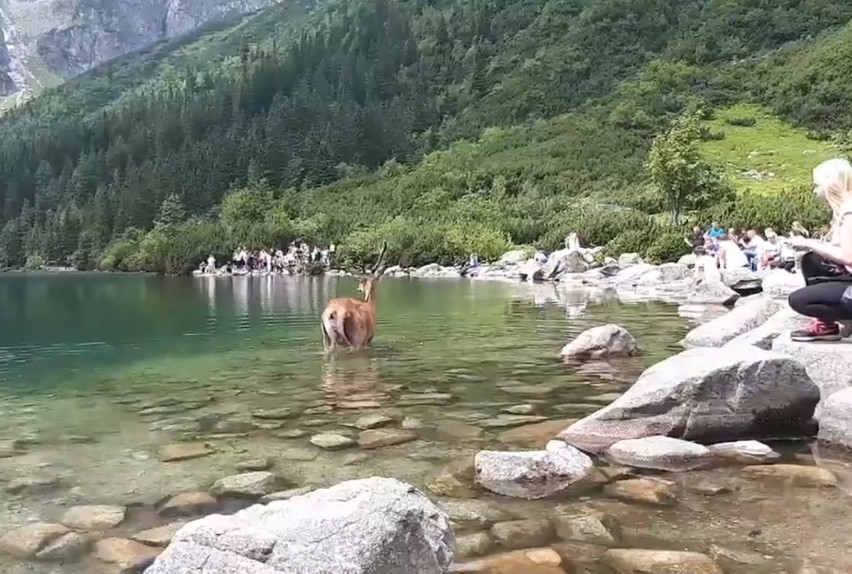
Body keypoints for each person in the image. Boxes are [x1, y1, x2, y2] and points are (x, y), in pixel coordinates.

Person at [787, 158, 852, 341]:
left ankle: (839, 320)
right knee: (813, 260)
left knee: (799, 300)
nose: (815, 190)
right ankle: (826, 325)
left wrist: (808, 242)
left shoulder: (850, 212)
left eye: (817, 185)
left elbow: (848, 257)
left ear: (830, 183)